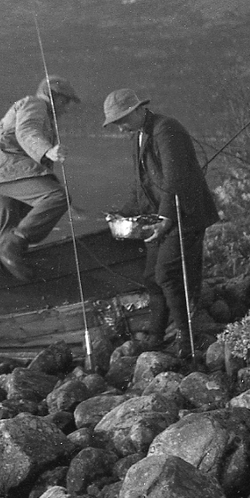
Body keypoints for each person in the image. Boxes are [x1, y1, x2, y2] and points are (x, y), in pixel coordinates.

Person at [103, 88, 219, 359]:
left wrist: (165, 219)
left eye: (121, 121)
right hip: (164, 216)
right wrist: (122, 213)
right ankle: (156, 335)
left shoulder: (167, 129)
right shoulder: (139, 136)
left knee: (168, 274)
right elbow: (141, 184)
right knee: (151, 277)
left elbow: (175, 178)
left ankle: (185, 338)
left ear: (135, 111)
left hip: (186, 214)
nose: (119, 129)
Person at [0, 75, 80, 281]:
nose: (66, 108)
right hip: (6, 171)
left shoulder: (41, 113)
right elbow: (27, 130)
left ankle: (8, 282)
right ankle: (11, 253)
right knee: (56, 198)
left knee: (6, 243)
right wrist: (47, 150)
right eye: (65, 101)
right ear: (52, 96)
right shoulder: (35, 103)